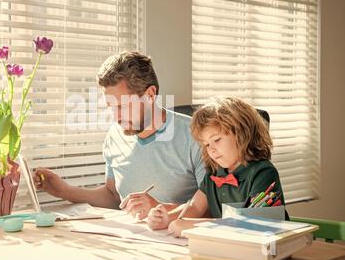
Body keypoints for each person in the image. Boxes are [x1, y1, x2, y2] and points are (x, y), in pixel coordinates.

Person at [33, 51, 205, 219]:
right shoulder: (115, 136)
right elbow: (113, 196)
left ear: (150, 95)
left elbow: (214, 206)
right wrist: (63, 191)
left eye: (122, 106)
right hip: (135, 239)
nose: (116, 117)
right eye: (111, 107)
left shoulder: (196, 136)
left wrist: (161, 209)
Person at [147, 96, 287, 236]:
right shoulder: (214, 173)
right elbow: (196, 206)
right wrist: (168, 217)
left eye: (217, 140)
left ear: (241, 133)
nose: (211, 149)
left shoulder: (263, 172)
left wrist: (194, 226)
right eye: (207, 144)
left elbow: (252, 225)